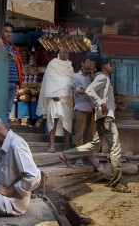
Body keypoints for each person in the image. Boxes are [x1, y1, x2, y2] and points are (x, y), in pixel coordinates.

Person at [58, 59, 131, 193]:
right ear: (105, 66)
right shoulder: (102, 77)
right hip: (106, 117)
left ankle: (67, 155)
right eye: (110, 65)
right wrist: (102, 104)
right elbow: (90, 90)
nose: (111, 67)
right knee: (115, 147)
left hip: (102, 117)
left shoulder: (102, 77)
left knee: (94, 145)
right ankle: (116, 183)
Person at [36, 46, 74, 152]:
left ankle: (66, 145)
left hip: (67, 98)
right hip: (55, 98)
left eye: (68, 53)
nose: (66, 54)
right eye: (64, 52)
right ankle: (51, 145)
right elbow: (49, 80)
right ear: (60, 52)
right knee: (53, 120)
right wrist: (53, 94)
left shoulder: (70, 67)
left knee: (67, 122)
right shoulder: (53, 64)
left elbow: (71, 82)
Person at [70, 57, 96, 166]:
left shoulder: (91, 77)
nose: (89, 64)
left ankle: (87, 157)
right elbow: (79, 91)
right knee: (79, 133)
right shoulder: (75, 76)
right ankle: (78, 158)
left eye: (90, 62)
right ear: (81, 63)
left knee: (90, 134)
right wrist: (90, 90)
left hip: (91, 108)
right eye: (87, 62)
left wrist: (92, 71)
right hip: (81, 107)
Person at [0, 22, 23, 119]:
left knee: (8, 109)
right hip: (3, 82)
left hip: (14, 83)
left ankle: (3, 127)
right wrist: (8, 52)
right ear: (1, 32)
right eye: (6, 31)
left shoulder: (14, 48)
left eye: (10, 32)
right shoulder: (0, 45)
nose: (8, 34)